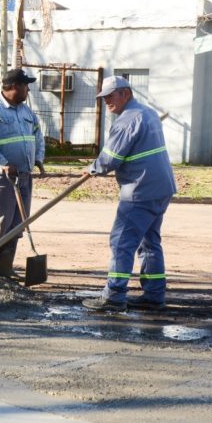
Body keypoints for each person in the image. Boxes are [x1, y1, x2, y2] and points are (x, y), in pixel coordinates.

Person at [82, 76, 176, 312]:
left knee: (121, 242)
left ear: (125, 93)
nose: (106, 102)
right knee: (150, 242)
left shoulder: (127, 120)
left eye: (110, 96)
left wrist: (93, 168)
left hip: (140, 189)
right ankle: (154, 295)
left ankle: (114, 295)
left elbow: (110, 159)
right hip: (161, 187)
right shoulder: (148, 113)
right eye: (103, 98)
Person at [0, 68, 46, 278]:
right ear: (14, 86)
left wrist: (38, 158)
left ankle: (5, 268)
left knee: (18, 222)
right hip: (1, 176)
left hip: (23, 175)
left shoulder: (26, 112)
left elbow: (38, 136)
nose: (28, 90)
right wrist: (3, 163)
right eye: (25, 85)